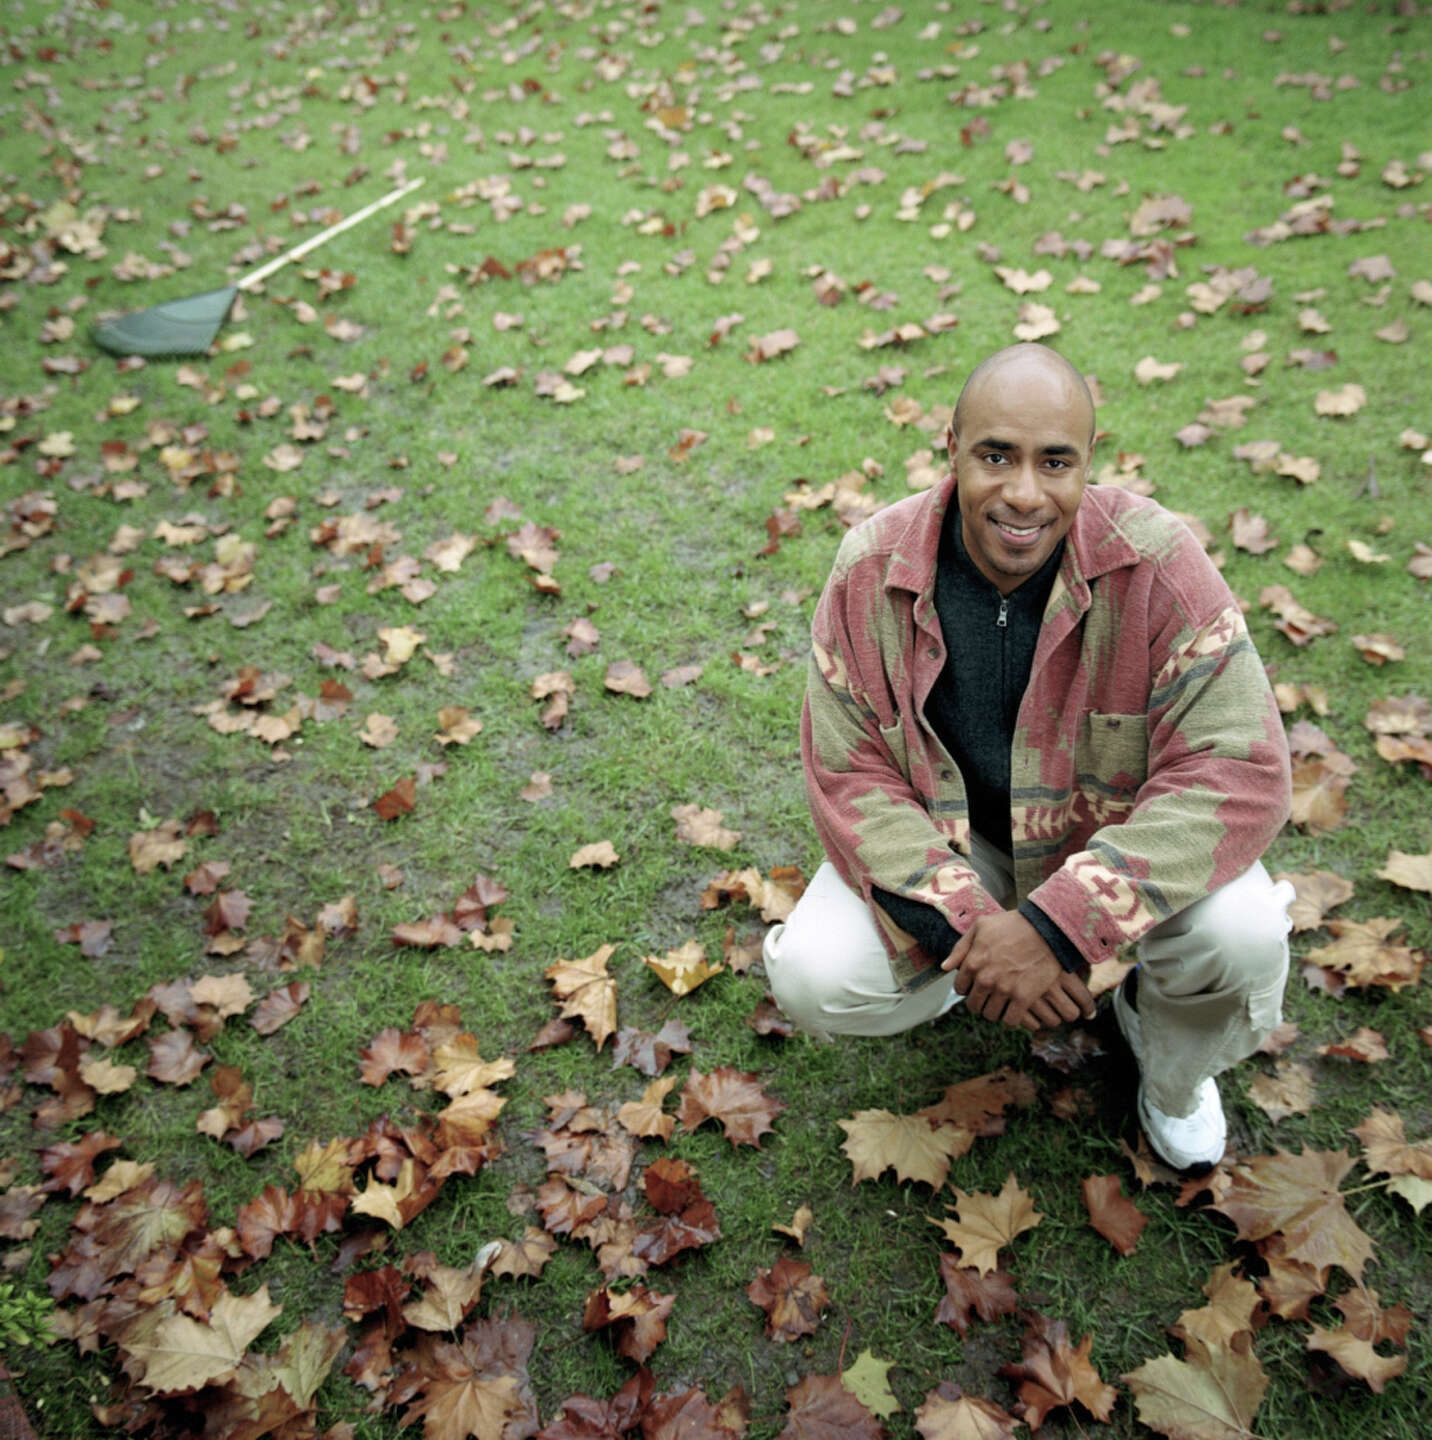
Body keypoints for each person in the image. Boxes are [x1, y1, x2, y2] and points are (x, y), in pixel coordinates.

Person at [765, 342, 1294, 1171]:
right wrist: (982, 936)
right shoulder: (872, 570)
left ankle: (1172, 1073)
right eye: (995, 456)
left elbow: (1241, 768)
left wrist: (1058, 925)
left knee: (1245, 933)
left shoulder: (1157, 564)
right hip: (953, 843)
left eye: (1055, 462)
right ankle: (966, 977)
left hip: (1107, 843)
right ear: (950, 448)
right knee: (814, 974)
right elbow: (850, 773)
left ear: (1090, 463)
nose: (1023, 493)